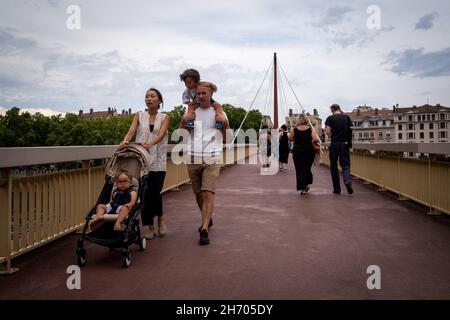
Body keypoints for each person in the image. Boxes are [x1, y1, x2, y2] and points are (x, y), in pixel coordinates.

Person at [180, 81, 229, 246]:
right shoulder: (192, 113)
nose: (201, 96)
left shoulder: (219, 113)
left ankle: (204, 228)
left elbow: (227, 137)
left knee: (208, 193)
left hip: (212, 157)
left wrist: (224, 123)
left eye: (204, 93)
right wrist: (183, 120)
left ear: (211, 95)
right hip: (193, 156)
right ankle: (208, 218)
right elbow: (182, 137)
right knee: (198, 194)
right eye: (198, 93)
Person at [119, 88, 170, 239]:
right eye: (147, 96)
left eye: (152, 96)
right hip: (141, 160)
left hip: (158, 161)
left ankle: (160, 220)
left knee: (155, 193)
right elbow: (131, 131)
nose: (149, 99)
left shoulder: (165, 117)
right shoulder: (139, 116)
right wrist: (125, 141)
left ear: (159, 101)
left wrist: (150, 143)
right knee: (145, 194)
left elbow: (161, 135)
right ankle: (150, 227)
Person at [325, 104, 354, 194]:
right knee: (345, 164)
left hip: (334, 144)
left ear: (333, 109)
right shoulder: (347, 118)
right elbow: (350, 131)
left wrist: (329, 134)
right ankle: (347, 180)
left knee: (334, 166)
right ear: (339, 109)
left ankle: (337, 189)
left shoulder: (330, 118)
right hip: (345, 144)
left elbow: (328, 132)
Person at [290, 114, 319, 195]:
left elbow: (290, 139)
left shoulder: (294, 129)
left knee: (299, 169)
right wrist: (312, 142)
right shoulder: (310, 129)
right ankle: (306, 184)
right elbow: (316, 139)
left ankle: (302, 187)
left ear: (298, 120)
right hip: (309, 151)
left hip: (298, 151)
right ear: (306, 120)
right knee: (307, 168)